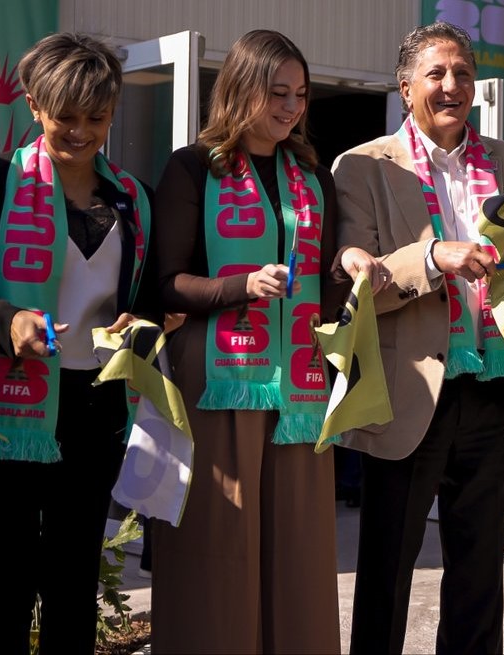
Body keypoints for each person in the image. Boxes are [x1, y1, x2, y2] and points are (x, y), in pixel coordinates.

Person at [332, 22, 504, 654]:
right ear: (406, 85)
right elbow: (354, 279)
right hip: (408, 387)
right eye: (437, 74)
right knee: (387, 568)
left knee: (478, 575)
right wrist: (434, 255)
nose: (452, 86)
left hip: (493, 385)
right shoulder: (362, 165)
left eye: (464, 73)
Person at [149, 29, 382, 653]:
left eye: (300, 95)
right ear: (240, 88)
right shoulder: (191, 167)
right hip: (217, 380)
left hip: (301, 385)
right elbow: (166, 284)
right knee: (218, 546)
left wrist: (350, 266)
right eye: (276, 92)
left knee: (300, 548)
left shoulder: (310, 174)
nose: (289, 107)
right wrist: (240, 286)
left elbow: (322, 288)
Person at [0, 32, 153, 654]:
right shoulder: (3, 185)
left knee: (72, 582)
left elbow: (152, 297)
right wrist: (10, 321)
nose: (81, 132)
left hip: (94, 405)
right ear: (34, 105)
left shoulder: (131, 198)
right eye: (65, 116)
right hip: (12, 408)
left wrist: (138, 323)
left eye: (97, 117)